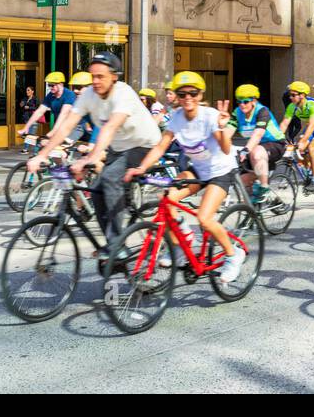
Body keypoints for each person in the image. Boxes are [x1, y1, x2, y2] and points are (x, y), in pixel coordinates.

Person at [25, 53, 160, 260]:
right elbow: (67, 125)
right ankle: (112, 243)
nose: (95, 82)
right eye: (92, 76)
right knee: (96, 189)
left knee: (109, 179)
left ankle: (117, 245)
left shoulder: (124, 94)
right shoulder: (89, 94)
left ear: (114, 76)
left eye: (101, 76)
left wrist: (90, 158)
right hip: (119, 147)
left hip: (144, 145)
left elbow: (110, 127)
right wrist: (41, 155)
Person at [124, 71, 246, 283]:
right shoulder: (177, 118)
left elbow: (226, 150)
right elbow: (161, 146)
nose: (187, 97)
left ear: (200, 95)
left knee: (204, 218)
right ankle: (181, 245)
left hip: (220, 171)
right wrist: (141, 168)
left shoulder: (209, 116)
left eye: (193, 93)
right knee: (168, 199)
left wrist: (222, 128)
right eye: (182, 94)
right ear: (177, 97)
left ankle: (233, 255)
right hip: (198, 169)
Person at [231, 84, 285, 204]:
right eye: (239, 101)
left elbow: (258, 134)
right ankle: (251, 214)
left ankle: (265, 188)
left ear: (254, 101)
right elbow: (227, 132)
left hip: (275, 144)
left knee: (255, 152)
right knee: (242, 181)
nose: (241, 105)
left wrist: (246, 150)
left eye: (245, 101)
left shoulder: (262, 111)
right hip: (254, 148)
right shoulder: (237, 113)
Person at [276, 81, 314, 191]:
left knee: (312, 148)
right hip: (311, 127)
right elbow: (284, 123)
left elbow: (312, 125)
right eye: (290, 95)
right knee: (299, 148)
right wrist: (276, 138)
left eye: (293, 95)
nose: (290, 97)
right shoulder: (292, 107)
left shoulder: (313, 105)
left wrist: (304, 140)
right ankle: (308, 169)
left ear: (302, 95)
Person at [20, 72, 75, 143]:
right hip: (60, 127)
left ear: (61, 84)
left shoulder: (69, 95)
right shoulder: (50, 95)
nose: (50, 87)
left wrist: (52, 132)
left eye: (53, 85)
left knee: (64, 149)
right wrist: (26, 127)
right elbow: (39, 111)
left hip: (74, 127)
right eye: (49, 85)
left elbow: (63, 114)